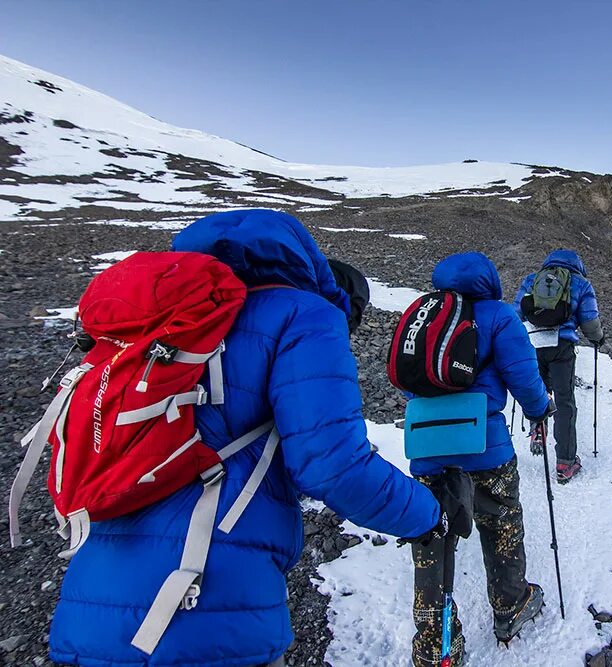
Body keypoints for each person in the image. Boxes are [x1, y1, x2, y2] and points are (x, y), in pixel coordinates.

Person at [48, 209, 443, 667]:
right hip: (203, 611)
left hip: (85, 611)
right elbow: (332, 465)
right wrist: (427, 517)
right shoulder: (304, 314)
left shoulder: (167, 322)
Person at [407, 252, 553, 666]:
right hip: (484, 447)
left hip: (427, 447)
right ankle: (510, 605)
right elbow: (524, 378)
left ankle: (435, 647)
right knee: (500, 521)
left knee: (431, 538)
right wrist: (540, 409)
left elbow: (408, 380)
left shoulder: (426, 314)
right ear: (488, 280)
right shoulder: (499, 316)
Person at [514, 249, 604, 483]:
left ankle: (537, 429)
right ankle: (565, 462)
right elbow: (589, 320)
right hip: (561, 346)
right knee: (565, 401)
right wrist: (597, 339)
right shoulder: (581, 283)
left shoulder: (532, 279)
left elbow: (517, 312)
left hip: (533, 344)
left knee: (538, 391)